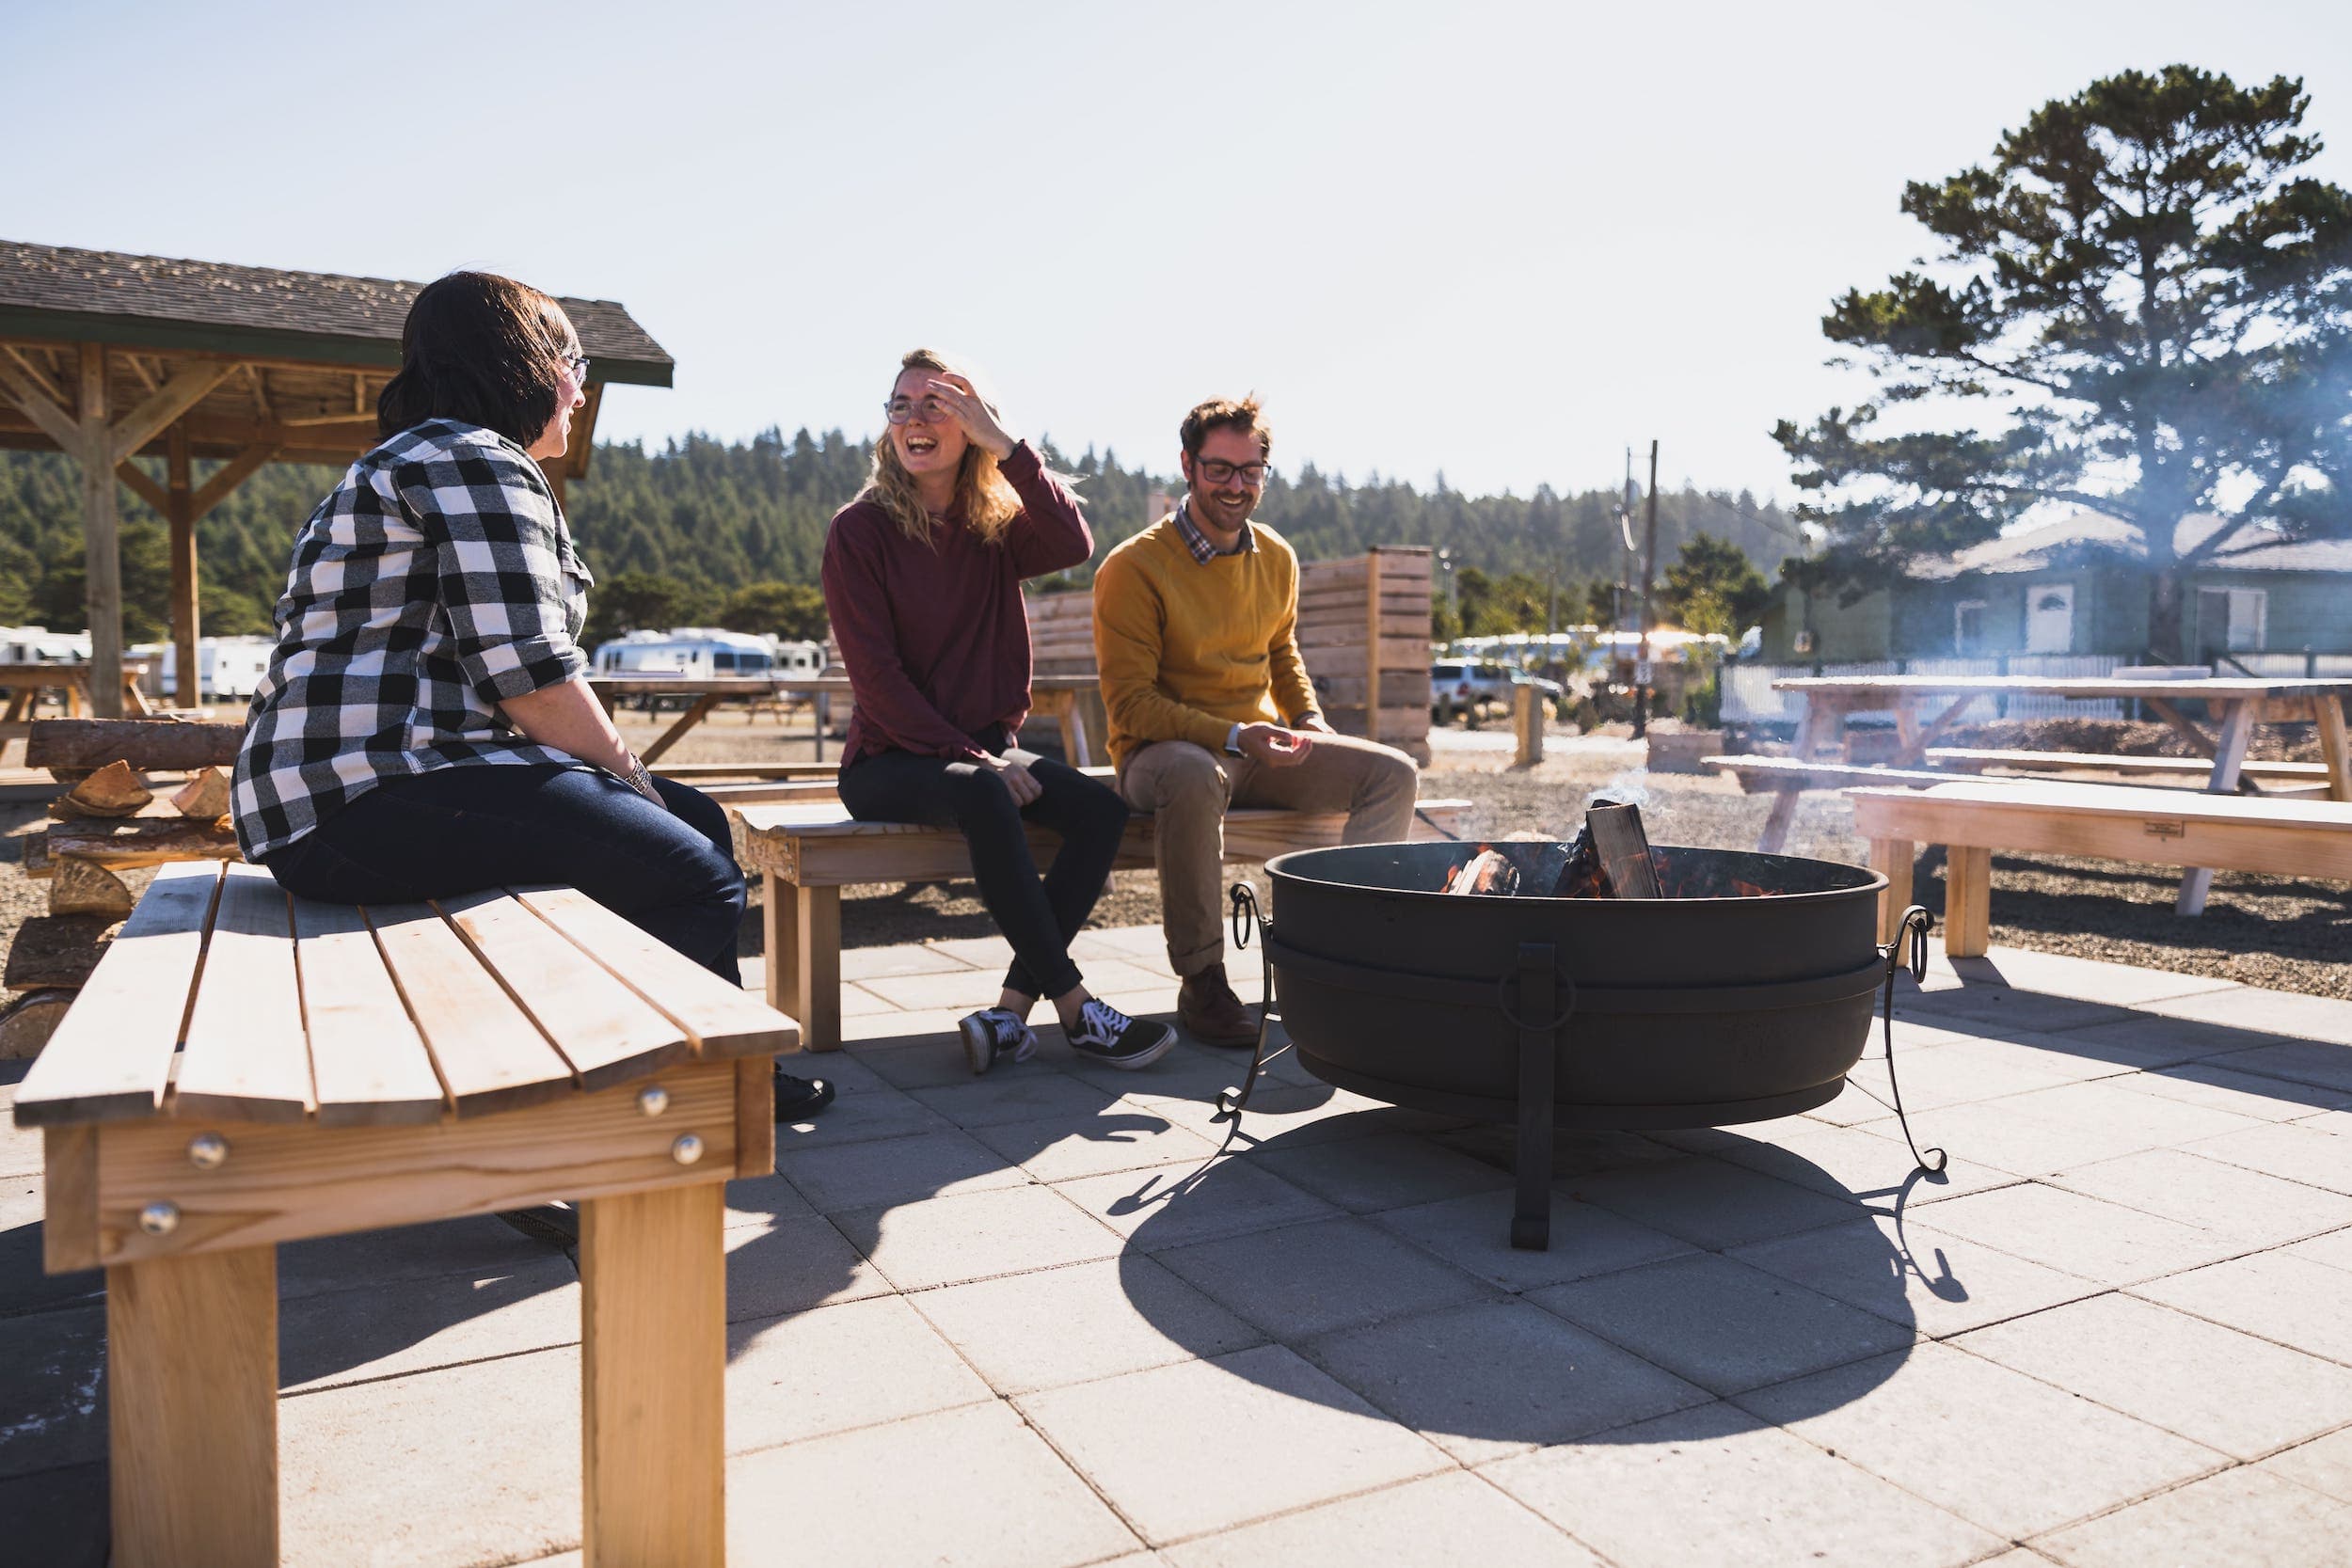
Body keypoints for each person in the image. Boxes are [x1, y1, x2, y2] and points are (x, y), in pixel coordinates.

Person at [230, 269, 834, 1125]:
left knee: (692, 824)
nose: (580, 388)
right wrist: (628, 773)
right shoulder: (475, 459)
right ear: (527, 363)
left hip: (335, 798)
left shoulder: (412, 458)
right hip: (369, 793)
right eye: (573, 361)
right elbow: (528, 673)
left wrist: (642, 794)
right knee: (695, 878)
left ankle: (733, 1066)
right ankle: (589, 1108)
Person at [823, 349, 1176, 1074]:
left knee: (1100, 812)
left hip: (980, 751)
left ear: (972, 424)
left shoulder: (993, 525)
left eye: (937, 404)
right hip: (890, 758)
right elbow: (879, 682)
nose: (915, 419)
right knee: (987, 787)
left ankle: (1012, 1015)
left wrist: (1008, 443)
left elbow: (1073, 540)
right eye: (901, 404)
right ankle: (1078, 1010)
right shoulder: (858, 532)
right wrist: (977, 755)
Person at [1093, 395, 1419, 1045]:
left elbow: (1281, 652)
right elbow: (1132, 705)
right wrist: (1237, 735)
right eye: (1219, 469)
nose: (1236, 486)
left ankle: (1341, 962)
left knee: (1394, 775)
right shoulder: (1134, 567)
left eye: (1251, 470)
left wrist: (1308, 718)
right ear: (1187, 466)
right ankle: (1203, 983)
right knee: (1192, 775)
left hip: (1258, 748)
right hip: (1163, 754)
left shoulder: (1276, 556)